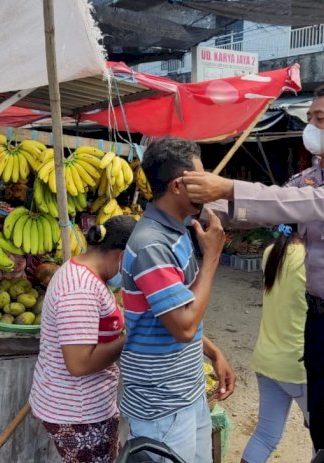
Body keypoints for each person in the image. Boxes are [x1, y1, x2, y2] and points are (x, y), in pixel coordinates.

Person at [182, 84, 324, 455]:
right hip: (320, 321)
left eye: (320, 118)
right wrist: (192, 209)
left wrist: (228, 187)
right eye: (309, 118)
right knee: (321, 419)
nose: (311, 126)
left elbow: (319, 204)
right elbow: (268, 206)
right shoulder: (305, 180)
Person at [120, 137, 235, 462]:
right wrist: (211, 259)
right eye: (200, 179)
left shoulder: (177, 231)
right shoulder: (151, 245)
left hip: (186, 394)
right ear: (176, 187)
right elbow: (183, 326)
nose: (209, 186)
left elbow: (178, 309)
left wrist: (213, 352)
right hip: (162, 409)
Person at [29, 215, 137, 463]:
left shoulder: (89, 275)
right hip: (78, 412)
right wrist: (132, 338)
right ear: (122, 255)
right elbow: (79, 363)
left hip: (84, 407)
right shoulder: (80, 289)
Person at [242, 224, 309, 463]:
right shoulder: (312, 260)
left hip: (267, 360)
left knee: (264, 436)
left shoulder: (272, 251)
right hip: (299, 366)